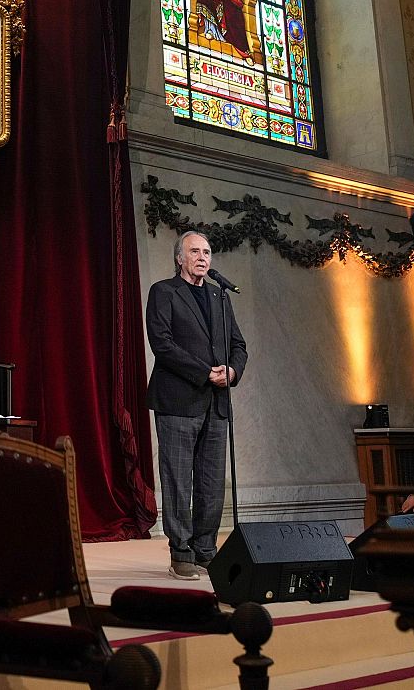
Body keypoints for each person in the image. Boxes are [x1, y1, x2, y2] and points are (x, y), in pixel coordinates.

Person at [145, 230, 247, 580]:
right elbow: (162, 344)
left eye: (207, 251)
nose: (203, 257)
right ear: (180, 258)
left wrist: (231, 371)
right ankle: (181, 552)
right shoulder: (164, 292)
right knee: (178, 480)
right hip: (177, 400)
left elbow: (239, 345)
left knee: (211, 482)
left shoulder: (221, 297)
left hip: (217, 403)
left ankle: (206, 550)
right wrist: (205, 373)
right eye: (195, 251)